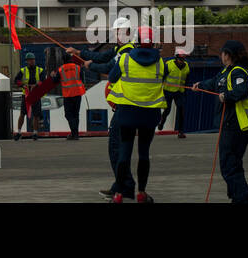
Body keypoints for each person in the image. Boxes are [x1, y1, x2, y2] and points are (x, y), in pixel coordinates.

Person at [66, 15, 134, 200]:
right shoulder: (122, 49)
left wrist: (91, 66)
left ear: (127, 32)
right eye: (115, 33)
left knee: (115, 148)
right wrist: (79, 53)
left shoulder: (126, 51)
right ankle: (124, 185)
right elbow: (102, 56)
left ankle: (123, 186)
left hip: (125, 106)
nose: (116, 36)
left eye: (118, 32)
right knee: (121, 148)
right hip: (125, 106)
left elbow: (108, 67)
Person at [107, 26, 166, 202]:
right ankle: (141, 192)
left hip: (127, 113)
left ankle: (118, 194)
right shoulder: (160, 62)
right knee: (144, 153)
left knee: (124, 152)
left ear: (136, 41)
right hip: (149, 114)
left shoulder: (125, 59)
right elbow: (163, 78)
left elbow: (111, 78)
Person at [197, 40, 248, 203]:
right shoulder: (227, 71)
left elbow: (240, 91)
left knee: (228, 166)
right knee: (234, 164)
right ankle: (237, 197)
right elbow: (215, 83)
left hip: (235, 125)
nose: (221, 56)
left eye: (222, 53)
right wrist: (200, 85)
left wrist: (227, 96)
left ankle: (245, 199)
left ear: (228, 55)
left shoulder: (238, 72)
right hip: (235, 125)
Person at [14, 52, 45, 140]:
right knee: (22, 113)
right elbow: (16, 80)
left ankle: (35, 133)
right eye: (30, 60)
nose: (32, 61)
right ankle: (19, 132)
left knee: (36, 114)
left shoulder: (40, 70)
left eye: (33, 59)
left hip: (36, 94)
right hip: (26, 94)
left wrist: (36, 85)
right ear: (27, 61)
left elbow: (43, 80)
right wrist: (23, 85)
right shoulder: (23, 70)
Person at [160, 48, 189, 138]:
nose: (182, 61)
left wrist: (186, 90)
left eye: (183, 60)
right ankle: (162, 122)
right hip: (168, 91)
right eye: (180, 59)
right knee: (167, 110)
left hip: (179, 92)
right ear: (176, 58)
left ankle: (181, 132)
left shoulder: (187, 66)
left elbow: (186, 79)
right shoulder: (169, 65)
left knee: (181, 110)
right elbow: (162, 77)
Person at [59, 52, 86, 140]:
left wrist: (52, 75)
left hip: (68, 94)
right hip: (78, 93)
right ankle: (75, 134)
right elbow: (82, 78)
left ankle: (74, 133)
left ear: (63, 60)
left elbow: (55, 80)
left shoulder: (61, 69)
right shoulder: (77, 67)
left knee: (68, 115)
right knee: (75, 114)